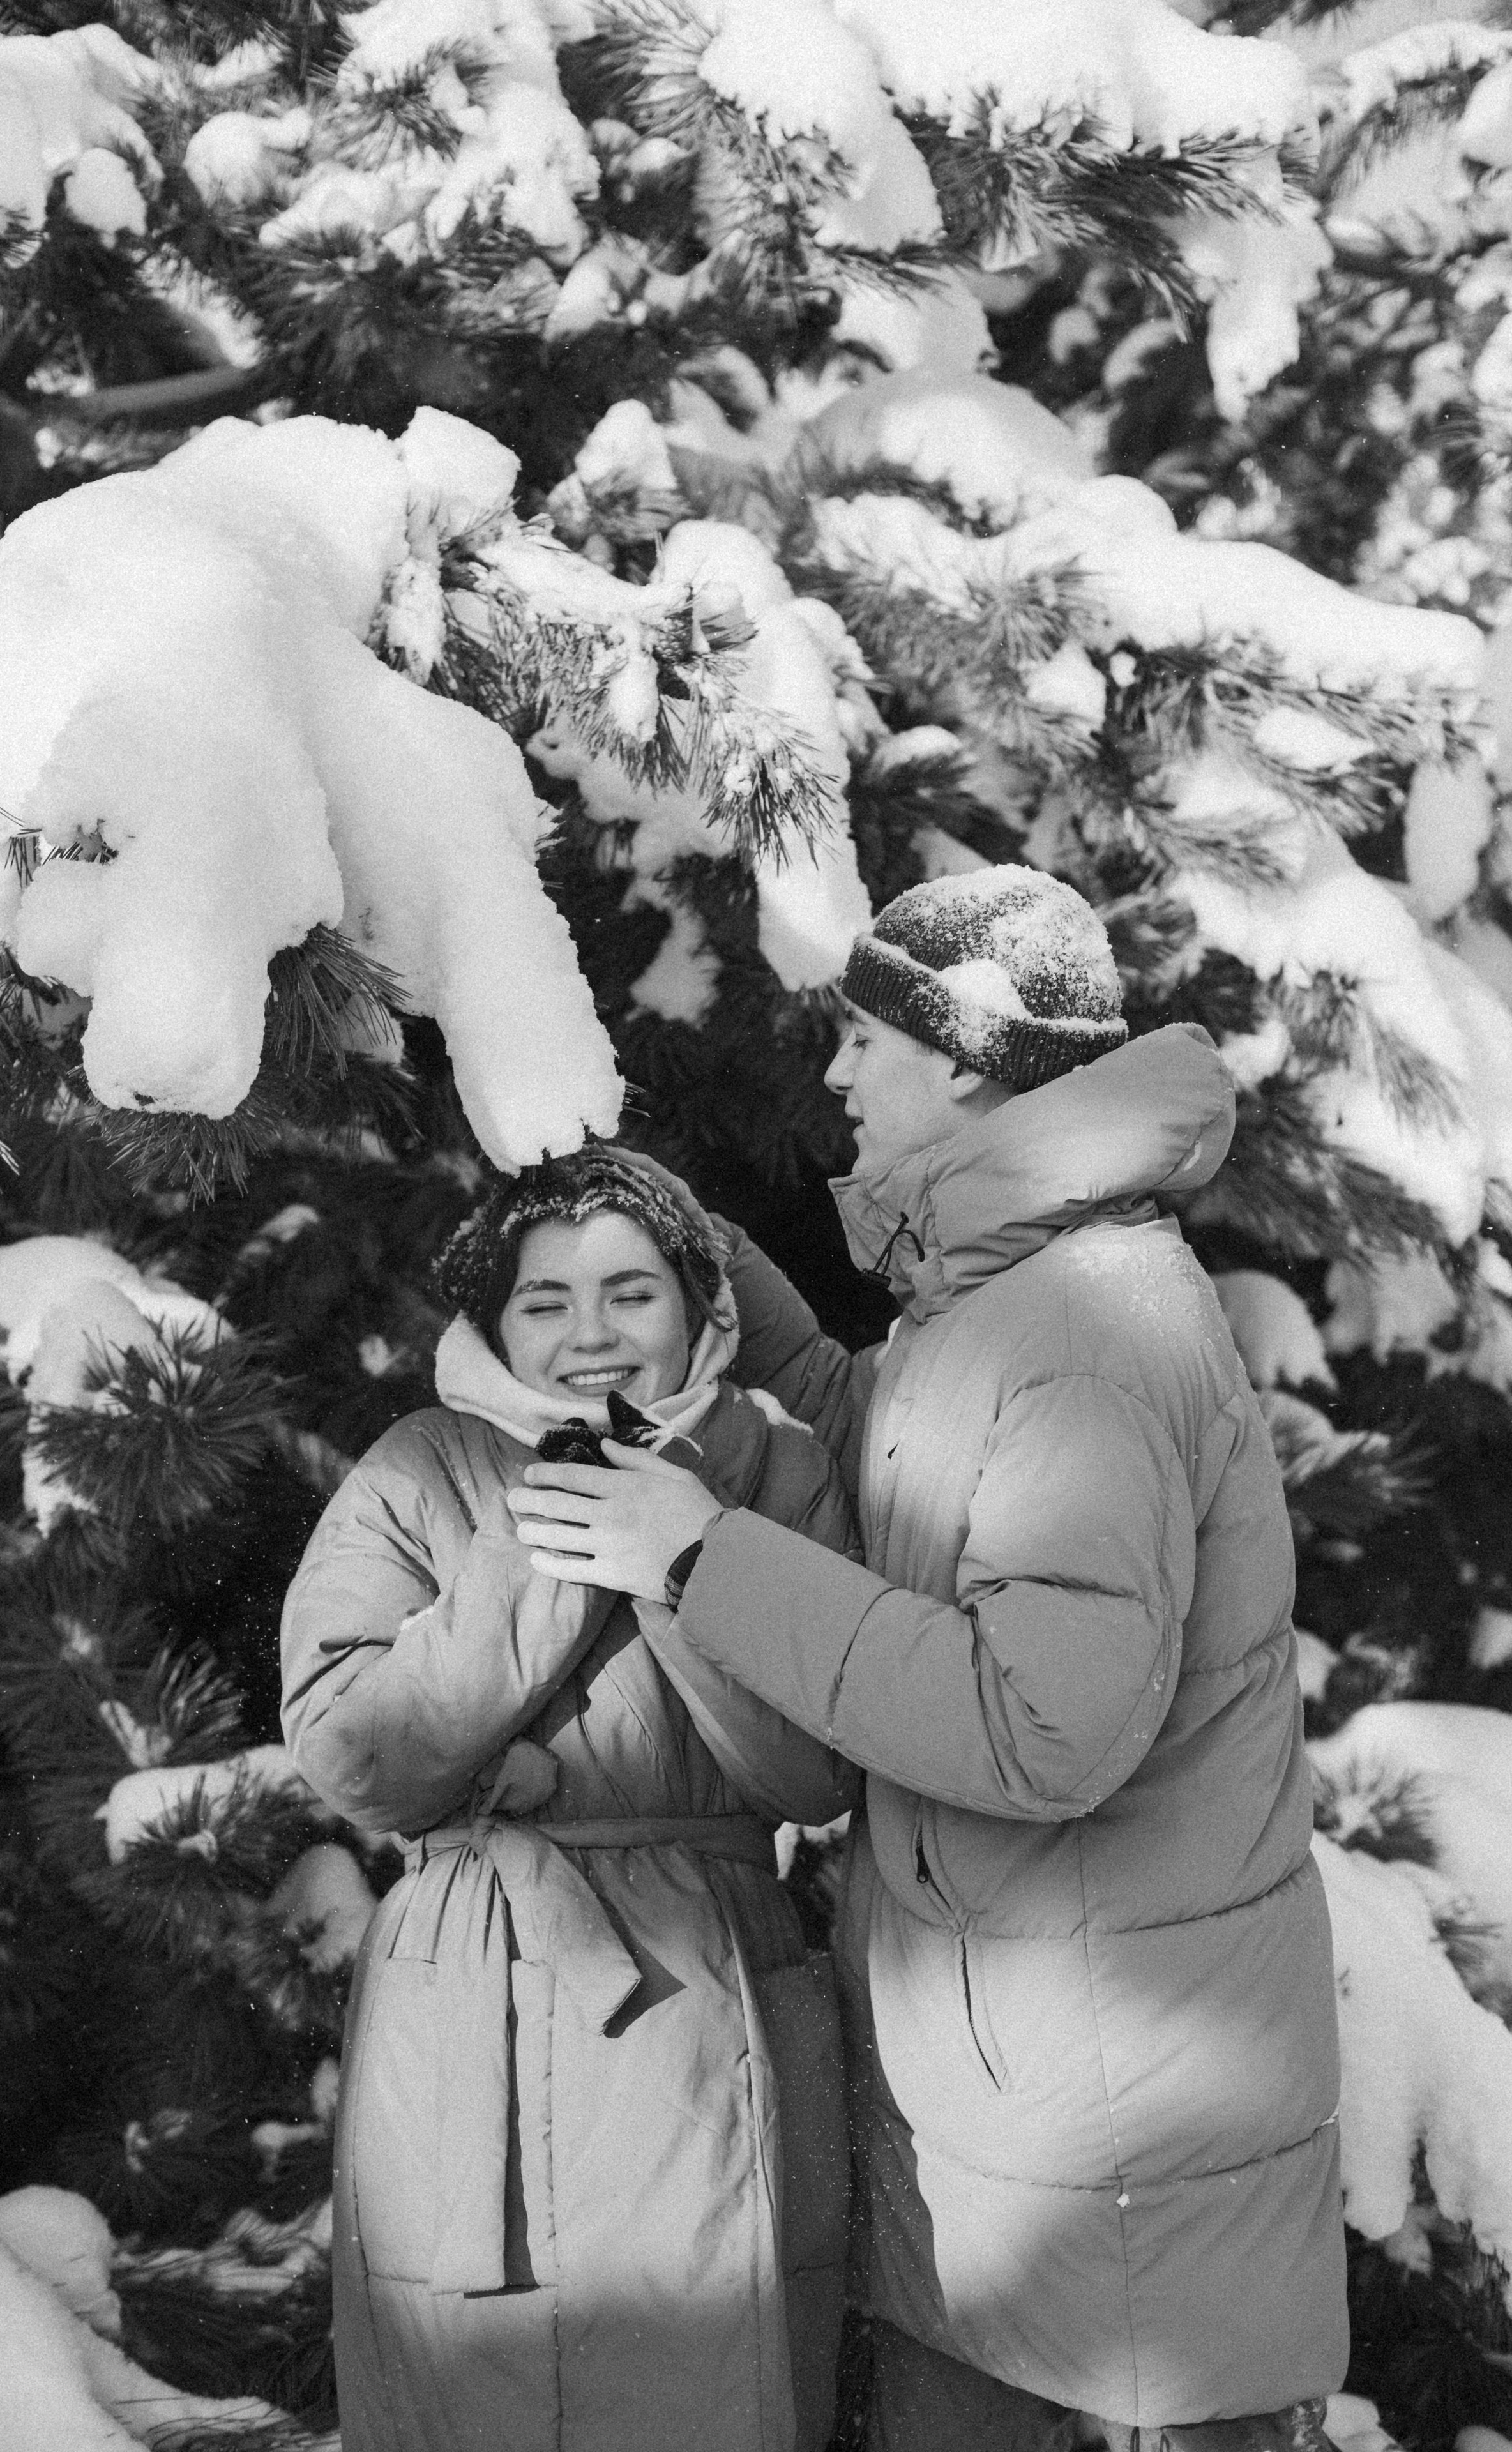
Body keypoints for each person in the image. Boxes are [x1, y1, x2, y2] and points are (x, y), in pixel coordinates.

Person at [508, 870, 1349, 2452]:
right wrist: (700, 1270)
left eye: (861, 1042)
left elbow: (1039, 1729)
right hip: (1034, 2115)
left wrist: (692, 1552)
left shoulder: (1082, 1333)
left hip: (1103, 2178)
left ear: (961, 1059)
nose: (834, 1076)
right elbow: (894, 1456)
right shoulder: (1011, 1298)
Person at [279, 1148, 861, 2452]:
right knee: (471, 2390)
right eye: (544, 1301)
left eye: (628, 1293)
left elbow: (814, 1771)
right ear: (493, 1320)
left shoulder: (774, 1464)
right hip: (468, 1996)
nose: (587, 1334)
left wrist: (678, 1559)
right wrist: (541, 1550)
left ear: (698, 1304)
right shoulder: (419, 1464)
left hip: (704, 1999)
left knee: (702, 2386)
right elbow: (353, 1756)